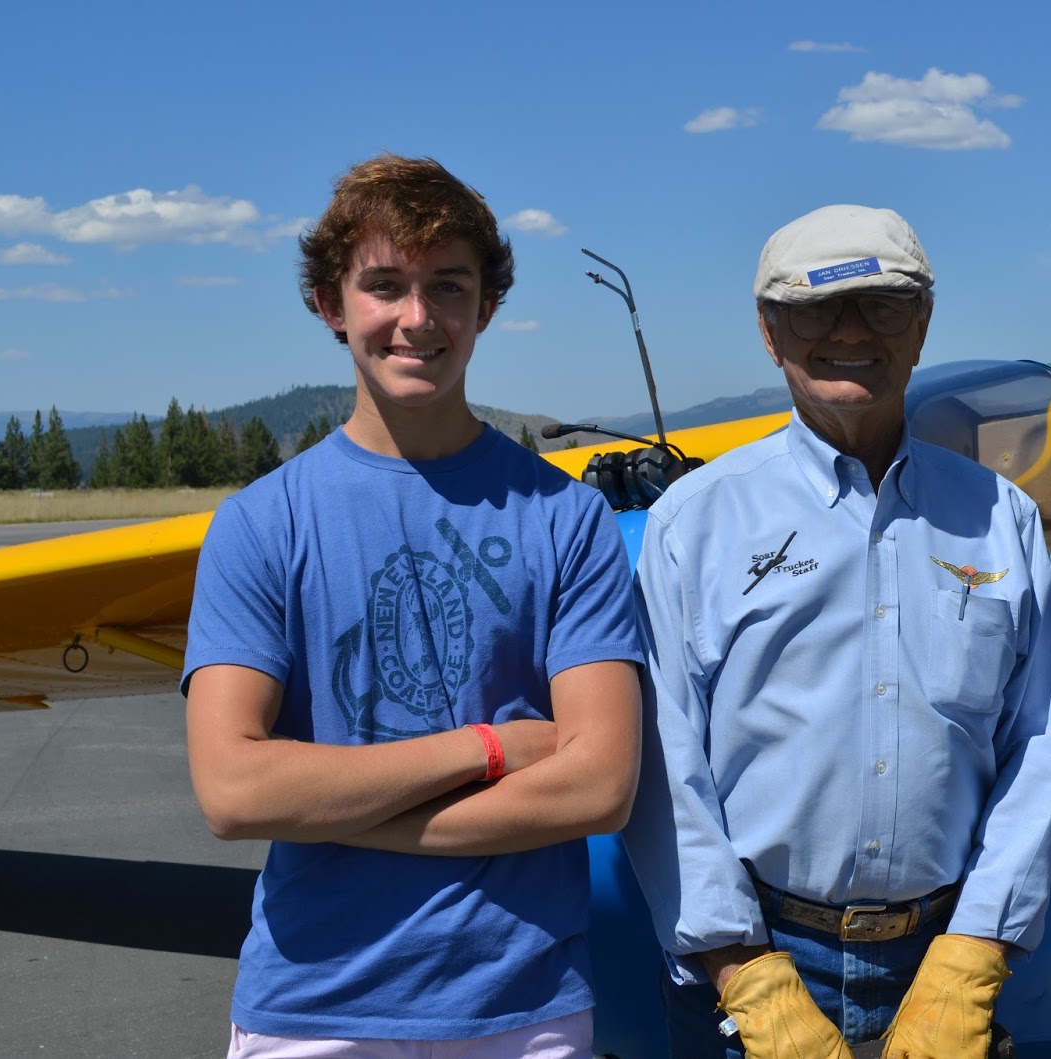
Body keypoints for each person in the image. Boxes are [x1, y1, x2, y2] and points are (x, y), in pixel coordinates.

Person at [183, 154, 643, 1059]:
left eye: (448, 286)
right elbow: (233, 791)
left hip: (527, 1004)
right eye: (385, 285)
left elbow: (600, 782)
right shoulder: (260, 524)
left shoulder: (568, 517)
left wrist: (343, 809)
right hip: (312, 1003)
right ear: (331, 303)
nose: (417, 318)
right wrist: (490, 749)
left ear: (486, 306)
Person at [621, 204, 1051, 1059]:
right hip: (754, 962)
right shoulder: (695, 521)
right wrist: (744, 972)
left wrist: (972, 958)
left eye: (883, 304)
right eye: (812, 309)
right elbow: (663, 761)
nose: (848, 332)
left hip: (940, 958)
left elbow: (1041, 743)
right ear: (769, 332)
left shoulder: (1003, 520)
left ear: (923, 322)